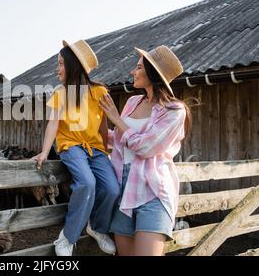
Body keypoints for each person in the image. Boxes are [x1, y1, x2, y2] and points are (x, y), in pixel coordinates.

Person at [99, 45, 191, 256]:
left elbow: (146, 147)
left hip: (153, 192)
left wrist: (117, 119)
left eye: (138, 67)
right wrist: (99, 119)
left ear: (152, 73)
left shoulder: (175, 111)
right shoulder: (133, 102)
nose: (133, 71)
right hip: (123, 190)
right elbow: (119, 140)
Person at [32, 40, 120, 256]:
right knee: (87, 183)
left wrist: (106, 152)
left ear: (73, 66)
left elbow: (103, 125)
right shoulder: (60, 94)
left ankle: (97, 228)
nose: (57, 68)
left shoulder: (99, 91)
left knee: (112, 188)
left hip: (96, 149)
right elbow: (53, 123)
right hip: (71, 146)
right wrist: (45, 151)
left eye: (61, 64)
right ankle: (67, 238)